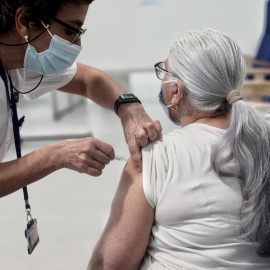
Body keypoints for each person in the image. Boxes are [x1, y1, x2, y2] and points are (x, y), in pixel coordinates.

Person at [88, 29, 270, 269]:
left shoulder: (156, 157)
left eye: (163, 73)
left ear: (176, 91)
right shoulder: (263, 137)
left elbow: (109, 265)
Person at [0, 0, 162, 198]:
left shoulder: (18, 60)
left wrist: (130, 109)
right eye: (70, 31)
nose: (77, 45)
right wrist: (56, 155)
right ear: (24, 21)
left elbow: (90, 80)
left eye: (79, 34)